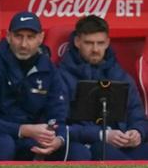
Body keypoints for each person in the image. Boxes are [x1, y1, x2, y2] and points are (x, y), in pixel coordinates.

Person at [0, 11, 91, 161]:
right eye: (18, 36)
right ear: (8, 36)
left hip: (33, 136)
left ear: (41, 38)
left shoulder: (49, 69)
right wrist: (23, 130)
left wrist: (58, 139)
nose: (24, 44)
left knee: (78, 152)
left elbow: (58, 115)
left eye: (30, 37)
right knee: (3, 144)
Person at [59, 15, 148, 160]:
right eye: (89, 43)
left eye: (100, 43)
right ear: (77, 42)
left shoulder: (121, 76)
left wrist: (137, 132)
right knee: (102, 150)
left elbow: (138, 117)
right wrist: (101, 135)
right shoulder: (61, 77)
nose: (95, 49)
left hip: (124, 145)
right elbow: (58, 127)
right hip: (88, 145)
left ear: (107, 43)